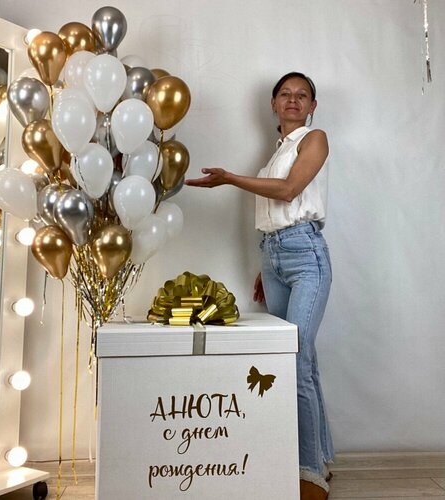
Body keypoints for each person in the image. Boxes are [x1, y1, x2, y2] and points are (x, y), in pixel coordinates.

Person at [185, 72, 333, 500]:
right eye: (285, 94)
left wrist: (230, 178)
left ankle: (308, 474)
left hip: (306, 257)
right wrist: (267, 263)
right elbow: (273, 210)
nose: (293, 100)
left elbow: (288, 191)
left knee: (296, 360)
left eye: (302, 95)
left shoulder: (314, 138)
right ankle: (320, 459)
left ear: (312, 106)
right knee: (300, 361)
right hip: (275, 257)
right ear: (273, 103)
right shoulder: (276, 152)